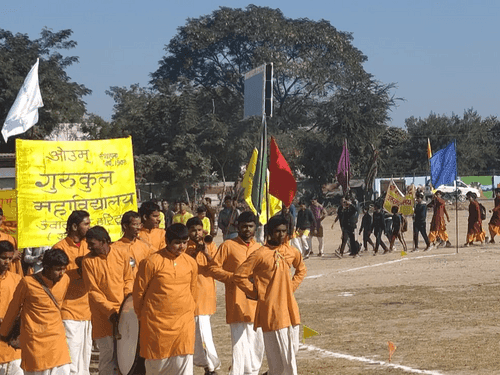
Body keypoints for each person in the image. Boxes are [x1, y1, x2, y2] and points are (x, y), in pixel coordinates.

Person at [234, 216, 307, 375]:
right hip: (272, 311)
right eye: (277, 232)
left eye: (284, 231)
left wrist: (290, 287)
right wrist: (256, 293)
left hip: (290, 310)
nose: (281, 235)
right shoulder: (260, 254)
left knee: (289, 354)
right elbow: (239, 276)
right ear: (269, 232)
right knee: (286, 363)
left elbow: (301, 270)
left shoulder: (290, 251)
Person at [133, 223, 198, 375]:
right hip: (156, 325)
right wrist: (143, 317)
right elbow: (138, 294)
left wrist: (189, 312)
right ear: (167, 241)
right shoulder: (151, 262)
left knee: (183, 364)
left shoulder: (190, 263)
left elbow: (193, 291)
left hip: (183, 324)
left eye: (184, 242)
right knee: (157, 366)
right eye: (177, 242)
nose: (181, 246)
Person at [209, 212, 265, 375]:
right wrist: (234, 278)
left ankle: (253, 372)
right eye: (244, 226)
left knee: (257, 344)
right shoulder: (227, 246)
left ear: (256, 227)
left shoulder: (260, 248)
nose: (247, 229)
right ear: (237, 226)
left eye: (250, 226)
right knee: (240, 345)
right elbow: (213, 268)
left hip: (257, 304)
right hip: (237, 301)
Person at [0, 248, 71, 375]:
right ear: (47, 268)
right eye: (58, 269)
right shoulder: (27, 283)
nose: (62, 273)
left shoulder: (65, 280)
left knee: (64, 370)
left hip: (57, 340)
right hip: (35, 343)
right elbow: (13, 308)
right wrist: (4, 335)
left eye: (64, 268)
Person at [82, 226, 134, 375]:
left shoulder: (121, 254)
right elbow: (93, 291)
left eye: (92, 243)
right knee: (107, 358)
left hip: (125, 314)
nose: (89, 247)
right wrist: (110, 311)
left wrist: (126, 303)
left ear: (104, 241)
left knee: (126, 358)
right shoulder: (88, 261)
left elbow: (128, 279)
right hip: (103, 317)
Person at [54, 210, 92, 375]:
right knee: (71, 359)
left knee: (85, 358)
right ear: (75, 226)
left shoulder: (89, 245)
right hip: (68, 310)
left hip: (88, 310)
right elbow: (56, 277)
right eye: (86, 223)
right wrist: (79, 270)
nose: (89, 227)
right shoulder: (59, 247)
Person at [185, 217, 220, 375]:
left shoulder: (210, 245)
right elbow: (185, 266)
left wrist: (206, 252)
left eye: (199, 230)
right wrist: (195, 251)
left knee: (204, 332)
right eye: (193, 230)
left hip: (205, 294)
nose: (197, 233)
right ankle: (207, 366)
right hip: (191, 294)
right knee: (197, 333)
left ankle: (212, 366)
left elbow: (217, 266)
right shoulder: (184, 247)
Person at [0, 241, 22, 375]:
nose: (7, 262)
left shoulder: (17, 279)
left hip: (12, 342)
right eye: (3, 258)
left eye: (9, 258)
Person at [114, 211, 152, 278]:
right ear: (125, 226)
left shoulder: (144, 246)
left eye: (139, 224)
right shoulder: (115, 248)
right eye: (135, 224)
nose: (138, 228)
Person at [0, 208, 22, 277]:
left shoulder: (10, 239)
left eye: (0, 219)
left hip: (8, 279)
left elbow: (16, 264)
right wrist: (12, 257)